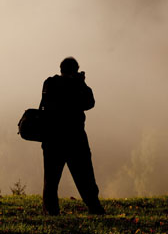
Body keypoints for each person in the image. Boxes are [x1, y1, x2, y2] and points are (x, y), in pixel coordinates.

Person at [40, 56, 105, 215]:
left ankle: (51, 211)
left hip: (52, 138)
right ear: (75, 70)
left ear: (61, 69)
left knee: (51, 179)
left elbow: (46, 103)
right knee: (85, 177)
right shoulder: (77, 85)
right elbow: (89, 103)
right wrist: (81, 82)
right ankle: (94, 208)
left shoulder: (49, 83)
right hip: (75, 138)